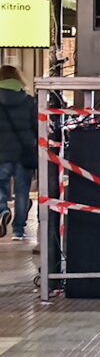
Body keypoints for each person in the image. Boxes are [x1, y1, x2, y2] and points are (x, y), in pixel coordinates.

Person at [0, 66, 36, 240]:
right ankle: (18, 231)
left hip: (1, 153)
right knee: (22, 191)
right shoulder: (29, 101)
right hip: (24, 152)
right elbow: (37, 127)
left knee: (1, 186)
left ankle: (3, 210)